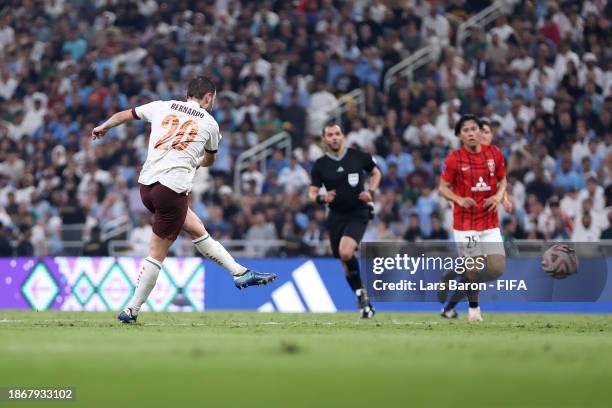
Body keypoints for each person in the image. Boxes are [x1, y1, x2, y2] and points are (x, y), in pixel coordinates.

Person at [92, 75, 276, 324]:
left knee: (197, 229)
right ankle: (132, 309)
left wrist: (103, 126)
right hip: (171, 191)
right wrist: (195, 161)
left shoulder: (162, 106)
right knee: (157, 252)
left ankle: (240, 272)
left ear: (188, 93)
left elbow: (126, 114)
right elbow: (209, 160)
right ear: (208, 98)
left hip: (146, 188)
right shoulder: (210, 124)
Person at [437, 114, 507, 321]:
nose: (471, 133)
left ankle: (452, 275)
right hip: (465, 224)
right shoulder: (453, 159)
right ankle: (474, 310)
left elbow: (503, 180)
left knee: (496, 269)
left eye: (474, 128)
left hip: (490, 222)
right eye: (466, 130)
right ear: (460, 135)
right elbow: (443, 188)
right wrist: (458, 199)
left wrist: (498, 195)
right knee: (474, 269)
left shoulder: (495, 153)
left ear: (480, 130)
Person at [308, 124, 382, 318]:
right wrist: (322, 198)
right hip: (335, 216)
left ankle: (361, 296)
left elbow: (376, 173)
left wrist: (371, 192)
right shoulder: (320, 164)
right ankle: (362, 298)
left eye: (337, 134)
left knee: (346, 251)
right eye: (330, 135)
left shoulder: (359, 156)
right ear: (323, 139)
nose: (334, 138)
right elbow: (312, 192)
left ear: (343, 136)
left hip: (358, 211)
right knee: (344, 261)